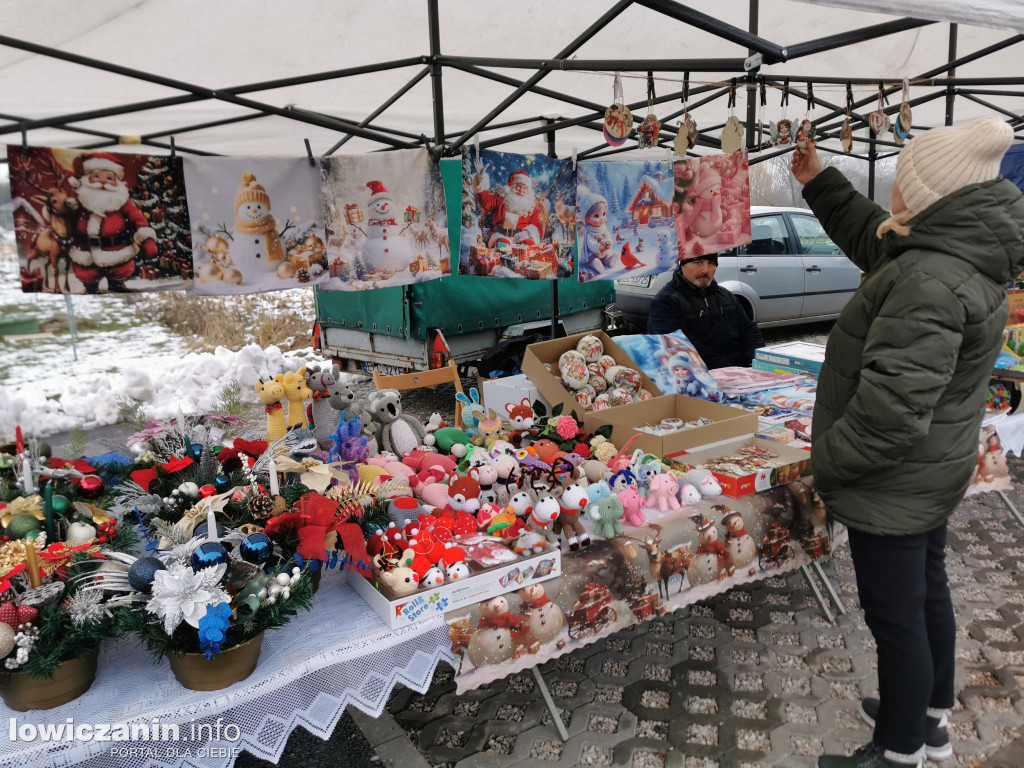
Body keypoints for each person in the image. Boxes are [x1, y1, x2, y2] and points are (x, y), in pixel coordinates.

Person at [790, 117, 1024, 768]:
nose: (893, 191)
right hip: (927, 472)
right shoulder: (952, 249)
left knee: (896, 613)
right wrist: (818, 181)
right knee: (925, 592)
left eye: (903, 180)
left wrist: (826, 465)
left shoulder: (930, 279)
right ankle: (926, 717)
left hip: (892, 478)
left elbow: (890, 413)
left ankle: (900, 750)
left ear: (930, 197)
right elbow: (877, 236)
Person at [647, 253, 764, 368]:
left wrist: (754, 363)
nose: (705, 270)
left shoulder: (726, 296)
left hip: (741, 373)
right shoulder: (666, 302)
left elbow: (750, 332)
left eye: (711, 263)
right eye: (698, 262)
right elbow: (682, 347)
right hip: (699, 376)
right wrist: (728, 370)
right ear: (683, 265)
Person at [68, 152, 157, 293]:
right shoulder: (80, 199)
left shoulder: (123, 201)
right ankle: (91, 287)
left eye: (109, 177)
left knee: (121, 271)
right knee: (87, 274)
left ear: (117, 181)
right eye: (96, 176)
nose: (103, 181)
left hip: (117, 249)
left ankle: (118, 285)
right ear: (86, 178)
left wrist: (147, 240)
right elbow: (68, 219)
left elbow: (137, 219)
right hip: (85, 251)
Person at [472, 168, 545, 250]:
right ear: (512, 186)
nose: (521, 190)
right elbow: (485, 201)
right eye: (519, 186)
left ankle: (526, 262)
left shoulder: (530, 207)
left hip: (520, 239)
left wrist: (527, 233)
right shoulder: (500, 199)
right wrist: (480, 179)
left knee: (528, 245)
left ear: (528, 191)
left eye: (524, 188)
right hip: (499, 236)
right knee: (503, 245)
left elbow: (538, 227)